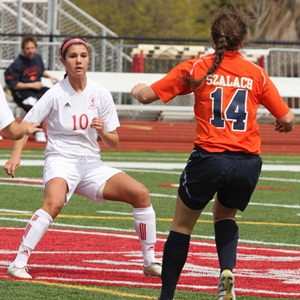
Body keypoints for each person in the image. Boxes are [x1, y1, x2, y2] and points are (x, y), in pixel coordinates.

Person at [131, 10, 295, 300]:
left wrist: (136, 89)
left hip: (209, 157)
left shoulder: (198, 67)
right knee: (225, 216)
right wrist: (283, 124)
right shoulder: (256, 73)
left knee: (182, 225)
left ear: (212, 38)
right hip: (246, 162)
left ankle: (166, 295)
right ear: (242, 41)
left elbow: (146, 96)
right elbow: (287, 118)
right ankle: (227, 272)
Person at [4, 37, 161, 280]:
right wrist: (16, 157)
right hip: (61, 160)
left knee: (140, 194)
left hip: (91, 164)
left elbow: (114, 141)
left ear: (89, 60)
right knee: (53, 203)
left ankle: (150, 261)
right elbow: (25, 126)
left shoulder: (100, 94)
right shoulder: (54, 93)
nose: (79, 60)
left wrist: (103, 131)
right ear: (63, 61)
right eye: (73, 56)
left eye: (83, 56)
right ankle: (19, 262)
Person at [4, 35, 58, 143]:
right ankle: (38, 131)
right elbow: (13, 85)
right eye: (28, 48)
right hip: (21, 92)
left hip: (36, 89)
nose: (30, 51)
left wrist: (49, 76)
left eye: (32, 48)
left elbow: (39, 72)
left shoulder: (37, 58)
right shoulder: (17, 64)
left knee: (55, 95)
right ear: (23, 49)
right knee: (33, 103)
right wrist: (32, 85)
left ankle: (60, 129)